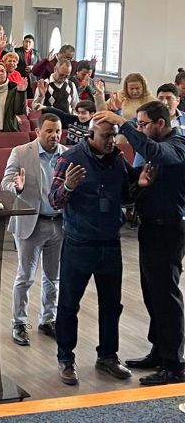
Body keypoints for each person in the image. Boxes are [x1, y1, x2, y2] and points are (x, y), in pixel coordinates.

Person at [94, 103, 185, 385]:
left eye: (144, 124)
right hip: (151, 228)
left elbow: (155, 152)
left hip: (168, 229)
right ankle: (159, 352)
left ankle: (174, 365)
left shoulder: (177, 145)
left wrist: (124, 123)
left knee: (166, 296)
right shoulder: (159, 142)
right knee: (152, 294)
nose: (141, 129)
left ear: (161, 123)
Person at [49, 119, 138, 386]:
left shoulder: (118, 159)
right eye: (106, 136)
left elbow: (125, 196)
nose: (111, 141)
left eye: (114, 136)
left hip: (110, 242)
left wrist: (141, 184)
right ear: (90, 134)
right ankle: (66, 358)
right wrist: (68, 186)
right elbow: (54, 200)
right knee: (69, 304)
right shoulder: (70, 159)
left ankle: (108, 356)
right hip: (79, 242)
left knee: (112, 304)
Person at [0, 113, 66, 347]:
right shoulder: (21, 152)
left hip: (58, 223)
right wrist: (16, 188)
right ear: (38, 132)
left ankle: (48, 320)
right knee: (25, 277)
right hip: (31, 223)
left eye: (57, 131)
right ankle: (19, 323)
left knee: (53, 277)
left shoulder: (67, 154)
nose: (54, 135)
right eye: (49, 131)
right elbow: (5, 183)